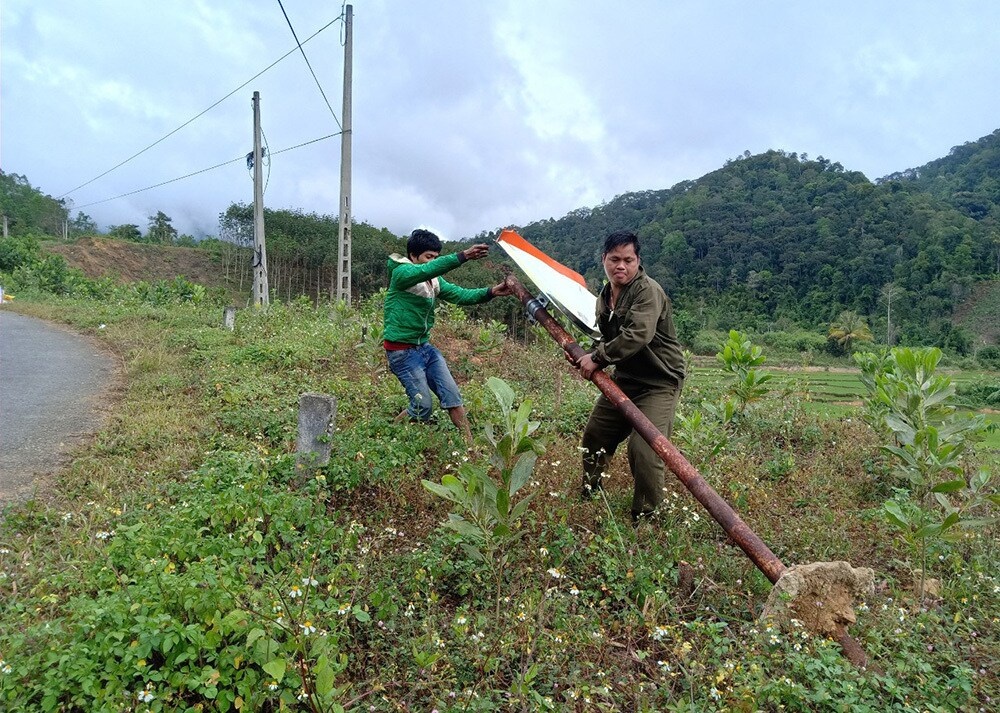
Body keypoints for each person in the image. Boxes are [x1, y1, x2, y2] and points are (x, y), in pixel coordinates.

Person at [572, 230, 685, 522]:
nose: (620, 266)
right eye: (614, 259)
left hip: (660, 382)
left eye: (628, 260)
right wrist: (586, 352)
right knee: (596, 434)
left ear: (637, 261)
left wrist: (596, 358)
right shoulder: (605, 297)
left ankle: (646, 516)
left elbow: (637, 335)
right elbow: (608, 337)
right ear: (603, 260)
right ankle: (590, 490)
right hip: (627, 378)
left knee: (645, 448)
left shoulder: (648, 291)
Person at [384, 228, 511, 443]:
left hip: (424, 348)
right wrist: (462, 256)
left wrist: (490, 292)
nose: (432, 262)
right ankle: (390, 436)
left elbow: (461, 295)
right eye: (428, 257)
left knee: (452, 396)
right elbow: (425, 271)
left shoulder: (434, 282)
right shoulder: (401, 274)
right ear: (413, 256)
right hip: (401, 352)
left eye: (436, 257)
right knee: (422, 406)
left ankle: (470, 446)